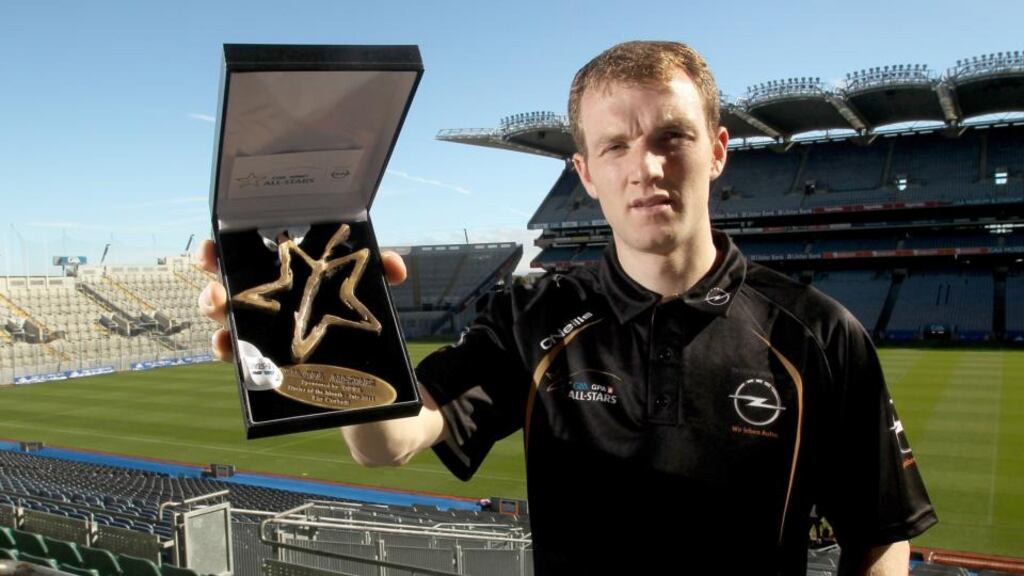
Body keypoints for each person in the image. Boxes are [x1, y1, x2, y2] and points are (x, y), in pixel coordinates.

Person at [199, 41, 936, 575]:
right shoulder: (533, 315)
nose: (644, 167)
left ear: (717, 150)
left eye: (670, 137)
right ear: (584, 173)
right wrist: (324, 346)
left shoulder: (818, 333)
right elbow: (387, 443)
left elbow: (881, 535)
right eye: (614, 146)